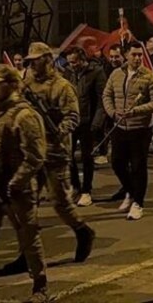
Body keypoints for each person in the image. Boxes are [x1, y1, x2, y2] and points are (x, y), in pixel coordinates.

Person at [0, 64, 51, 303]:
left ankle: (40, 285)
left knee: (28, 237)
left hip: (18, 188)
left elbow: (35, 156)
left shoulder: (25, 115)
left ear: (12, 85)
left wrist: (15, 183)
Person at [23, 42, 96, 264]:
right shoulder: (26, 86)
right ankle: (27, 251)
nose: (33, 64)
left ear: (47, 59)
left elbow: (73, 116)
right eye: (30, 61)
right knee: (27, 204)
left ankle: (82, 231)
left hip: (55, 152)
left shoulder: (63, 86)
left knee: (60, 202)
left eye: (36, 60)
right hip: (31, 152)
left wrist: (57, 131)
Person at [102, 46, 153, 220]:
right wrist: (113, 112)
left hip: (141, 128)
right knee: (117, 162)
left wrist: (135, 111)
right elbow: (107, 95)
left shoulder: (149, 76)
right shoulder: (116, 74)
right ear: (126, 55)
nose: (137, 58)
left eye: (140, 55)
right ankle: (130, 191)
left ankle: (138, 203)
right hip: (120, 126)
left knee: (138, 166)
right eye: (134, 54)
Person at [63, 47, 105, 207]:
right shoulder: (67, 73)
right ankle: (75, 186)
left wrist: (97, 122)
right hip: (71, 121)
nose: (71, 65)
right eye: (69, 62)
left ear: (82, 59)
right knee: (69, 155)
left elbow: (101, 99)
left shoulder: (96, 72)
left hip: (88, 122)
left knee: (87, 157)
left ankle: (87, 190)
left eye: (74, 62)